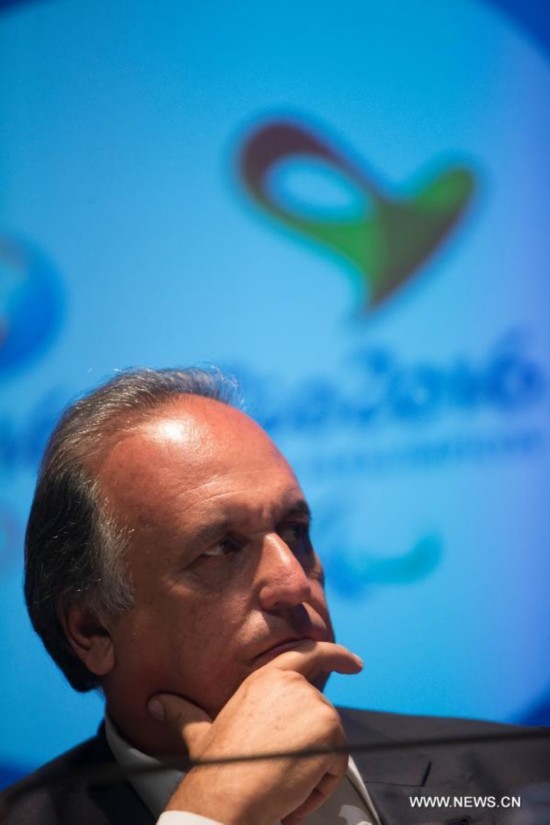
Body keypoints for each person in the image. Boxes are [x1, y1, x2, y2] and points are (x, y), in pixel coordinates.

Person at [1, 367, 548, 825]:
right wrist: (209, 813)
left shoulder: (526, 776)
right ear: (92, 628)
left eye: (294, 531)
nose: (293, 582)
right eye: (220, 549)